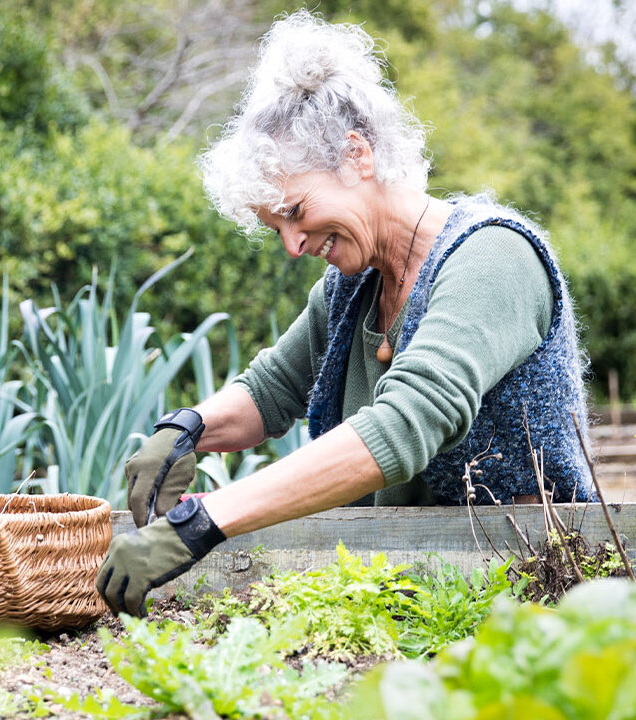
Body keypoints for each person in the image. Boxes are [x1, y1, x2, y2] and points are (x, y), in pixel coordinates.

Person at [96, 11, 597, 618]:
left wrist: (203, 522)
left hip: (531, 593)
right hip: (418, 588)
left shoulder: (493, 256)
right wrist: (184, 432)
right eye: (275, 227)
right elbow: (272, 390)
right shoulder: (352, 286)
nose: (292, 244)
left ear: (357, 156)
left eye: (296, 210)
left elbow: (407, 422)